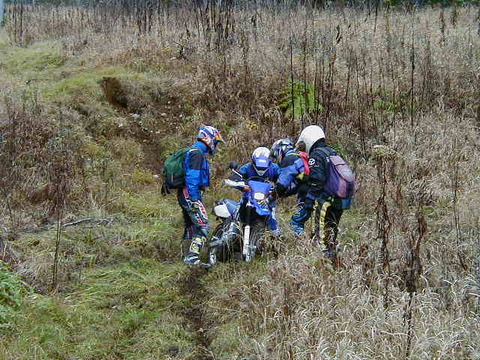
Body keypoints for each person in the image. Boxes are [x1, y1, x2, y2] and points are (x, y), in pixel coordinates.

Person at [290, 125, 352, 257]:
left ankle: (323, 261)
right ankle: (333, 257)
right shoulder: (332, 151)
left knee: (320, 233)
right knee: (331, 229)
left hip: (326, 200)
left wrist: (308, 204)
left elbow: (317, 181)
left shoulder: (316, 155)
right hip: (341, 199)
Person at [179, 125, 224, 266]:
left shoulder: (196, 151)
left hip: (186, 193)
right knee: (203, 226)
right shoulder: (197, 153)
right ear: (207, 138)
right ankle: (192, 258)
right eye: (215, 142)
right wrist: (194, 199)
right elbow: (192, 177)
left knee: (191, 226)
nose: (215, 145)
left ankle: (186, 257)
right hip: (190, 193)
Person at [236, 147, 281, 233]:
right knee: (239, 208)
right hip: (249, 196)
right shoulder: (246, 168)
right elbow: (237, 177)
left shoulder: (274, 169)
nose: (261, 170)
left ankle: (274, 236)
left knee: (274, 226)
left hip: (267, 198)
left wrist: (277, 189)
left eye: (263, 168)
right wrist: (241, 185)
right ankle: (233, 227)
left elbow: (282, 181)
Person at [270, 138, 310, 232]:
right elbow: (294, 186)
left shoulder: (289, 159)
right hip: (314, 194)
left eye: (276, 155)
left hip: (309, 196)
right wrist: (284, 194)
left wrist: (270, 196)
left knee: (295, 223)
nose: (276, 159)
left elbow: (281, 186)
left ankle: (301, 244)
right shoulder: (298, 157)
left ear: (280, 150)